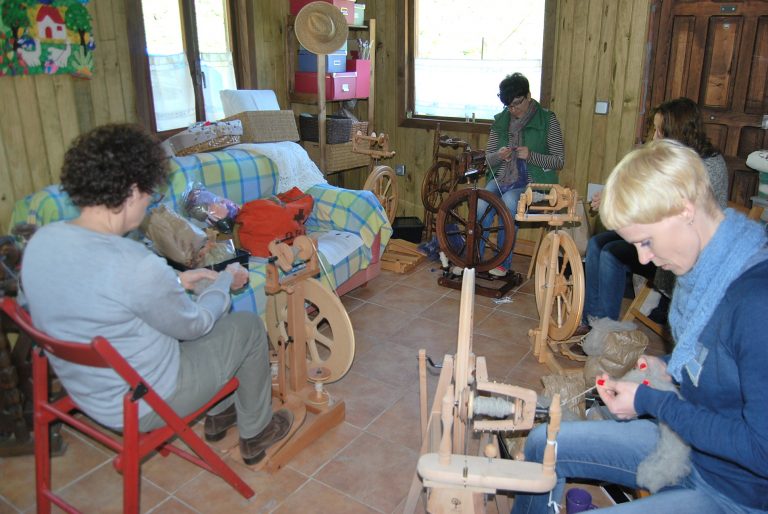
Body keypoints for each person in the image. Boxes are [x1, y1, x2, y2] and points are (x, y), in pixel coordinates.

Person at [511, 139, 768, 513]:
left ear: (685, 209)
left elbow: (761, 452)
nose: (645, 259)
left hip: (733, 492)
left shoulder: (756, 303)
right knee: (541, 444)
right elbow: (717, 366)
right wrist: (670, 371)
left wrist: (651, 401)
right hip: (683, 445)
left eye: (646, 241)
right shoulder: (704, 272)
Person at [21, 124, 292, 466]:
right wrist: (224, 280)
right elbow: (196, 326)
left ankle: (222, 415)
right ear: (133, 190)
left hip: (85, 390)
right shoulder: (136, 263)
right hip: (143, 400)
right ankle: (257, 433)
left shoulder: (42, 241)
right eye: (149, 192)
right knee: (247, 327)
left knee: (212, 324)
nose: (150, 200)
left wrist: (177, 281)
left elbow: (94, 292)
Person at [578, 97, 729, 334]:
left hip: (682, 249)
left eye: (660, 132)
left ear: (677, 133)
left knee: (610, 254)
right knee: (597, 243)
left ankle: (604, 331)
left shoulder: (706, 167)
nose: (654, 137)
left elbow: (665, 210)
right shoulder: (676, 161)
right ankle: (592, 320)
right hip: (658, 234)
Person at [478, 72, 565, 277]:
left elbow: (559, 160)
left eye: (517, 104)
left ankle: (502, 263)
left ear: (528, 96)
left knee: (510, 201)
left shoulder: (547, 120)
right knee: (481, 202)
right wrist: (499, 156)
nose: (513, 110)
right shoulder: (501, 121)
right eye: (508, 106)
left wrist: (531, 156)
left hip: (535, 184)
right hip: (503, 179)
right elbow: (487, 160)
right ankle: (474, 259)